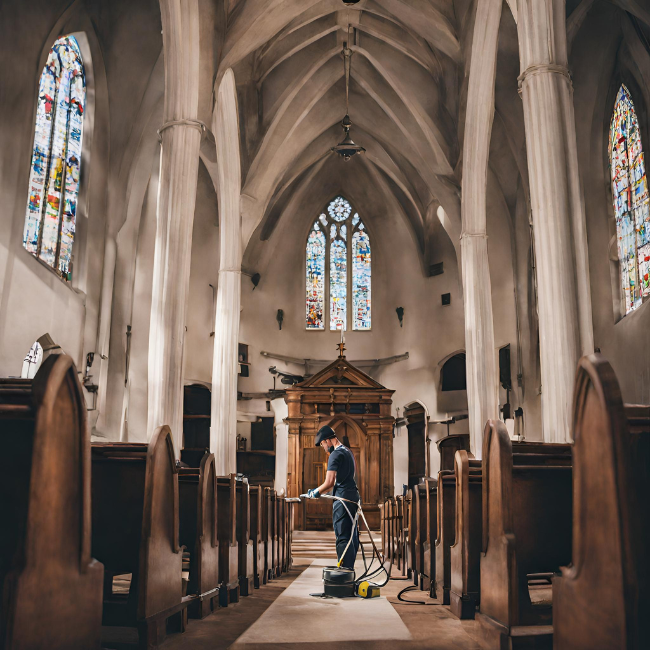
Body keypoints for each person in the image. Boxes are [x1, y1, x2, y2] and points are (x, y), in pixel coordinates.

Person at [307, 425, 360, 570]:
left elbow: (329, 483)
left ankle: (344, 574)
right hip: (353, 497)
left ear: (327, 440)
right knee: (352, 537)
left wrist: (316, 492)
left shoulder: (335, 454)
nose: (324, 448)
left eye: (323, 444)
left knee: (343, 536)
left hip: (343, 500)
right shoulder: (347, 451)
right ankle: (349, 572)